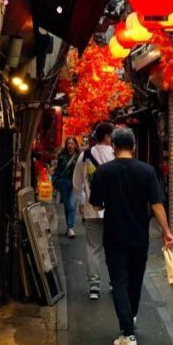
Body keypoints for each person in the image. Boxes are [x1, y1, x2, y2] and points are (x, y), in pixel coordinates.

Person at [89, 126, 173, 345]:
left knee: (119, 281)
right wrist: (166, 231)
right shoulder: (146, 171)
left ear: (113, 146)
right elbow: (157, 204)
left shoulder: (103, 172)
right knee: (136, 280)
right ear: (134, 147)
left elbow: (96, 204)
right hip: (139, 236)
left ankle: (127, 334)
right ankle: (131, 318)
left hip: (114, 235)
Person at [72, 122, 115, 300]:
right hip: (114, 210)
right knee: (113, 247)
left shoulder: (85, 155)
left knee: (93, 247)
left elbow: (76, 184)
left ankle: (94, 286)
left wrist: (83, 200)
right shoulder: (116, 154)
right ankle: (114, 281)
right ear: (107, 137)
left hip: (92, 209)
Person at [54, 137, 80, 238]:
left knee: (71, 204)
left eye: (72, 143)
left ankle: (70, 227)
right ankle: (69, 227)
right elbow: (58, 170)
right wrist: (57, 181)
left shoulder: (78, 157)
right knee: (67, 204)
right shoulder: (62, 157)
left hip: (75, 182)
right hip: (64, 182)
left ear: (75, 145)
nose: (70, 145)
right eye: (68, 143)